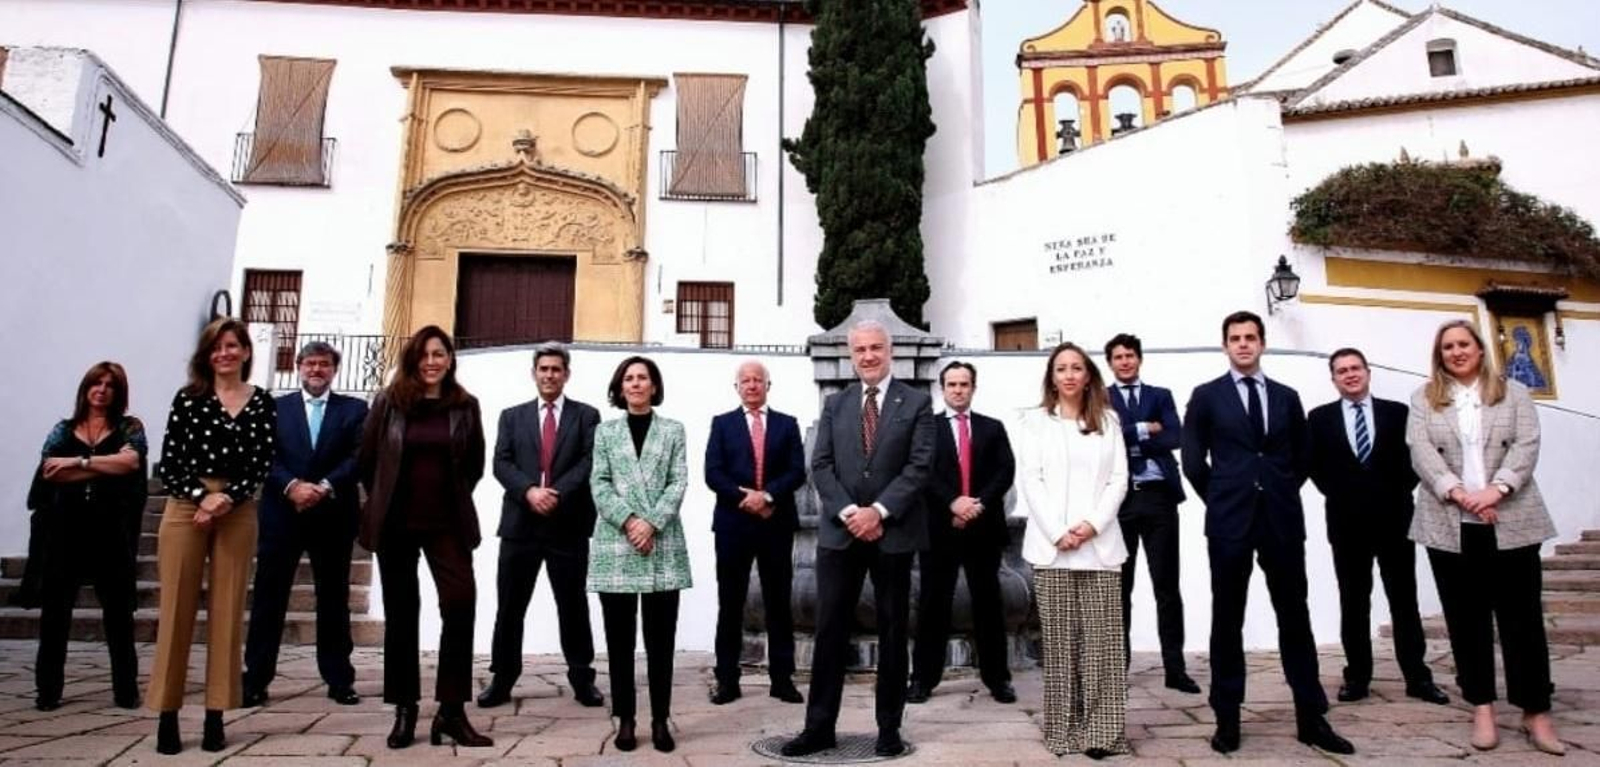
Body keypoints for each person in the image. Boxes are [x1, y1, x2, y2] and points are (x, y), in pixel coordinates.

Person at [1180, 310, 1352, 755]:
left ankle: (1311, 717)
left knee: (1295, 616)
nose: (1243, 344)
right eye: (1235, 338)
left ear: (1262, 343)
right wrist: (1224, 495)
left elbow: (1302, 456)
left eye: (1250, 337)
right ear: (1225, 345)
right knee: (1227, 619)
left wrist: (1274, 488)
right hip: (1229, 522)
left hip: (1280, 519)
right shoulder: (1206, 397)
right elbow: (1194, 462)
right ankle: (1228, 717)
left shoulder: (1286, 397)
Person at [1407, 320, 1564, 755]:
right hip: (1450, 523)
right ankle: (1482, 708)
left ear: (1479, 349)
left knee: (1524, 621)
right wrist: (1462, 495)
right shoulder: (1423, 399)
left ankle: (1536, 712)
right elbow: (1421, 452)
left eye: (1463, 344)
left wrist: (1495, 490)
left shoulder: (1514, 393)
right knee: (1466, 620)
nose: (1456, 352)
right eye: (1447, 348)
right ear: (1439, 356)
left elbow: (1527, 445)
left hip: (1511, 518)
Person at [782, 320, 936, 759]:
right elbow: (822, 465)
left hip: (893, 533)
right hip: (841, 533)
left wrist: (879, 512)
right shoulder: (837, 404)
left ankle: (889, 728)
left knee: (892, 631)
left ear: (890, 351)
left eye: (875, 348)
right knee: (829, 631)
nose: (868, 356)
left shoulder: (918, 402)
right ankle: (818, 728)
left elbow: (920, 466)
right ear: (851, 355)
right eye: (860, 350)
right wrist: (851, 512)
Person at [359, 325, 491, 750]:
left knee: (460, 603)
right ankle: (404, 709)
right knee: (401, 614)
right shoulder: (389, 403)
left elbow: (474, 464)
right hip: (397, 523)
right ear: (413, 358)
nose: (432, 361)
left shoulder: (466, 405)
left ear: (450, 359)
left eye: (440, 353)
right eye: (425, 354)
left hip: (447, 523)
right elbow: (368, 461)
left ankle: (452, 711)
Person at [149, 317, 276, 754]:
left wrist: (226, 499)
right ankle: (166, 715)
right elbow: (170, 460)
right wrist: (202, 498)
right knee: (177, 611)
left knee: (227, 612)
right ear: (208, 355)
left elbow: (262, 461)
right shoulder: (188, 400)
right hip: (187, 506)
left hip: (237, 509)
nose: (224, 353)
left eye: (232, 345)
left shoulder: (262, 402)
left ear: (245, 352)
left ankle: (215, 715)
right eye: (216, 347)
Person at [1307, 348, 1447, 706]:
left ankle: (1417, 677)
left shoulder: (1397, 413)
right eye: (1342, 371)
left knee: (1404, 599)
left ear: (1368, 372)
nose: (1350, 375)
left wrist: (1389, 493)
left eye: (1355, 368)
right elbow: (1316, 467)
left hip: (1395, 519)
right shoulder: (1319, 418)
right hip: (1346, 522)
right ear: (1333, 378)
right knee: (1353, 601)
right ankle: (1357, 678)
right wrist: (1346, 493)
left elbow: (1414, 461)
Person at [1017, 343, 1129, 759]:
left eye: (1076, 368)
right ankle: (1062, 732)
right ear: (1052, 377)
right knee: (1062, 648)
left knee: (1102, 646)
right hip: (1053, 549)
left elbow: (1119, 479)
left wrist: (1091, 525)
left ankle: (1102, 734)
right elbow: (1031, 480)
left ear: (1088, 376)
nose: (1068, 375)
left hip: (1100, 547)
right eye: (1061, 368)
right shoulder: (1035, 424)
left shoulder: (1109, 421)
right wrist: (1058, 530)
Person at [479, 342, 605, 710]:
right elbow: (501, 463)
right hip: (520, 526)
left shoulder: (586, 416)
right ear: (534, 374)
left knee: (573, 605)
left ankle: (583, 679)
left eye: (556, 369)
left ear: (566, 374)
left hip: (568, 525)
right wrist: (529, 491)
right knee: (510, 607)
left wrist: (557, 493)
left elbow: (589, 460)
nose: (549, 375)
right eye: (543, 369)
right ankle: (502, 679)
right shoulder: (511, 416)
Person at [243, 341, 369, 708]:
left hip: (333, 515)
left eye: (325, 365)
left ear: (334, 370)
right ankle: (256, 678)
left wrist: (325, 486)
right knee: (270, 598)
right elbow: (263, 454)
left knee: (333, 599)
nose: (317, 370)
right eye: (311, 363)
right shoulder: (273, 407)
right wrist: (292, 486)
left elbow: (359, 456)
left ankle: (339, 678)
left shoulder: (355, 409)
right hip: (283, 514)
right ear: (298, 366)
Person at [588, 356, 692, 753]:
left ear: (653, 386)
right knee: (619, 642)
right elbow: (598, 482)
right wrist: (630, 520)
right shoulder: (605, 432)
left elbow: (678, 480)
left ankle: (661, 719)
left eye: (642, 378)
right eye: (628, 378)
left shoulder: (673, 430)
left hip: (661, 544)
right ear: (620, 387)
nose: (635, 384)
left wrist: (651, 523)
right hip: (617, 544)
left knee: (661, 641)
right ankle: (626, 719)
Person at [30, 361, 146, 712]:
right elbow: (50, 471)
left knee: (119, 615)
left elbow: (131, 464)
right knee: (55, 615)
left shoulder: (130, 427)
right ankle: (48, 690)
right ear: (85, 388)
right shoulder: (62, 429)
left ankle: (126, 690)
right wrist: (101, 465)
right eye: (96, 383)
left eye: (110, 385)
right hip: (65, 532)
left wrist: (78, 463)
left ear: (118, 392)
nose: (102, 390)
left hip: (111, 531)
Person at [907, 361, 1017, 705]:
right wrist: (952, 503)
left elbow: (1005, 471)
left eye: (964, 384)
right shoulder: (926, 429)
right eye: (952, 384)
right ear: (943, 388)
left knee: (988, 604)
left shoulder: (992, 428)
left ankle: (998, 679)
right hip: (940, 530)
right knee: (932, 605)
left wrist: (976, 504)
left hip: (983, 529)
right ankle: (923, 679)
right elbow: (921, 473)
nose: (958, 390)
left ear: (973, 388)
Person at [705, 360, 807, 706]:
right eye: (745, 381)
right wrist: (744, 498)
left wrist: (767, 495)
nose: (751, 386)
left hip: (775, 522)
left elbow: (797, 471)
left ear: (768, 385)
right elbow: (713, 473)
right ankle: (727, 681)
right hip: (734, 525)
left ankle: (782, 679)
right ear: (737, 387)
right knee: (730, 604)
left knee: (779, 603)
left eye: (757, 380)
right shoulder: (722, 424)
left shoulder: (786, 425)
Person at [1102, 333, 1199, 694]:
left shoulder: (1161, 395)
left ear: (1139, 359)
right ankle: (1117, 669)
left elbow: (1175, 435)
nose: (1125, 362)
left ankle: (1175, 668)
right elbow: (1103, 439)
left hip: (1159, 498)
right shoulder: (1103, 398)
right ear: (1110, 363)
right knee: (1120, 588)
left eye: (1130, 356)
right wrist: (1144, 428)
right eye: (1118, 357)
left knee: (1167, 587)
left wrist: (1128, 438)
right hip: (1121, 501)